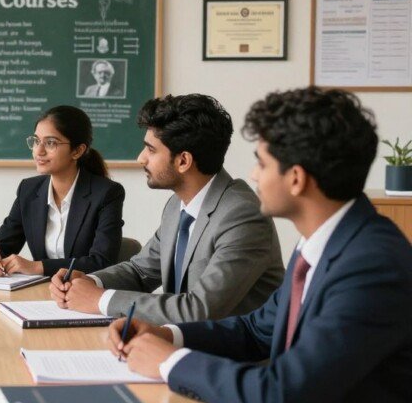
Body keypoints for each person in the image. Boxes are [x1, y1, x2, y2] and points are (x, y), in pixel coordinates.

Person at [110, 87, 412, 403]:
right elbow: (256, 330)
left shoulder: (371, 266)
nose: (253, 174)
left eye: (263, 163)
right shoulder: (323, 243)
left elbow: (281, 397)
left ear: (296, 179)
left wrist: (168, 361)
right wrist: (166, 334)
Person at [50, 94, 283, 324]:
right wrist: (90, 282)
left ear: (183, 161)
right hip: (179, 343)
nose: (140, 158)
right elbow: (140, 271)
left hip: (230, 357)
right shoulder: (178, 204)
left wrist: (101, 300)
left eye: (150, 150)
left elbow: (199, 310)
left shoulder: (242, 215)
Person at [0, 106, 125, 277]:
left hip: (85, 293)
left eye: (50, 143)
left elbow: (101, 262)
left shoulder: (107, 193)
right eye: (36, 141)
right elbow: (2, 245)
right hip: (41, 293)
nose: (39, 151)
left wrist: (37, 267)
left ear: (77, 151)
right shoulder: (28, 190)